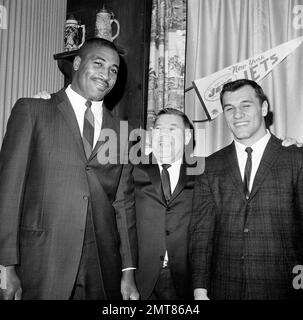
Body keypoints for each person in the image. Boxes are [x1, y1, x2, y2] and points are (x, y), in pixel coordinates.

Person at [0, 38, 139, 300]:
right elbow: (8, 192)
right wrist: (6, 267)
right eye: (98, 63)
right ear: (76, 63)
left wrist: (128, 272)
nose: (106, 74)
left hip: (102, 266)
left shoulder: (123, 132)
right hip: (42, 261)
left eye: (113, 70)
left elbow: (124, 203)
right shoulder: (33, 110)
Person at [190, 79, 303, 300]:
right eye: (229, 109)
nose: (237, 114)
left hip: (284, 288)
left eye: (246, 105)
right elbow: (202, 235)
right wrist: (199, 291)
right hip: (224, 288)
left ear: (263, 108)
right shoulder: (209, 166)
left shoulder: (296, 158)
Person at [133, 108, 202, 300]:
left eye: (172, 129)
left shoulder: (205, 171)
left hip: (187, 281)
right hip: (140, 279)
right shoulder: (131, 168)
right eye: (158, 129)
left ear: (187, 136)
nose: (163, 134)